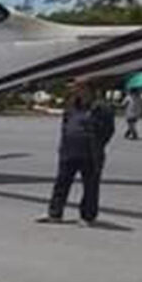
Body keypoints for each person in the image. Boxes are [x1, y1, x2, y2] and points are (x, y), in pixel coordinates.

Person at [37, 79, 115, 226]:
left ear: (88, 89)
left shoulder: (101, 108)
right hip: (69, 151)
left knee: (90, 186)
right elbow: (65, 124)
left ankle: (87, 216)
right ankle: (55, 214)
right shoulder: (72, 105)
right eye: (75, 87)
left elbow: (108, 131)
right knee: (61, 183)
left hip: (90, 153)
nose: (75, 90)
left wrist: (96, 144)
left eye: (78, 87)